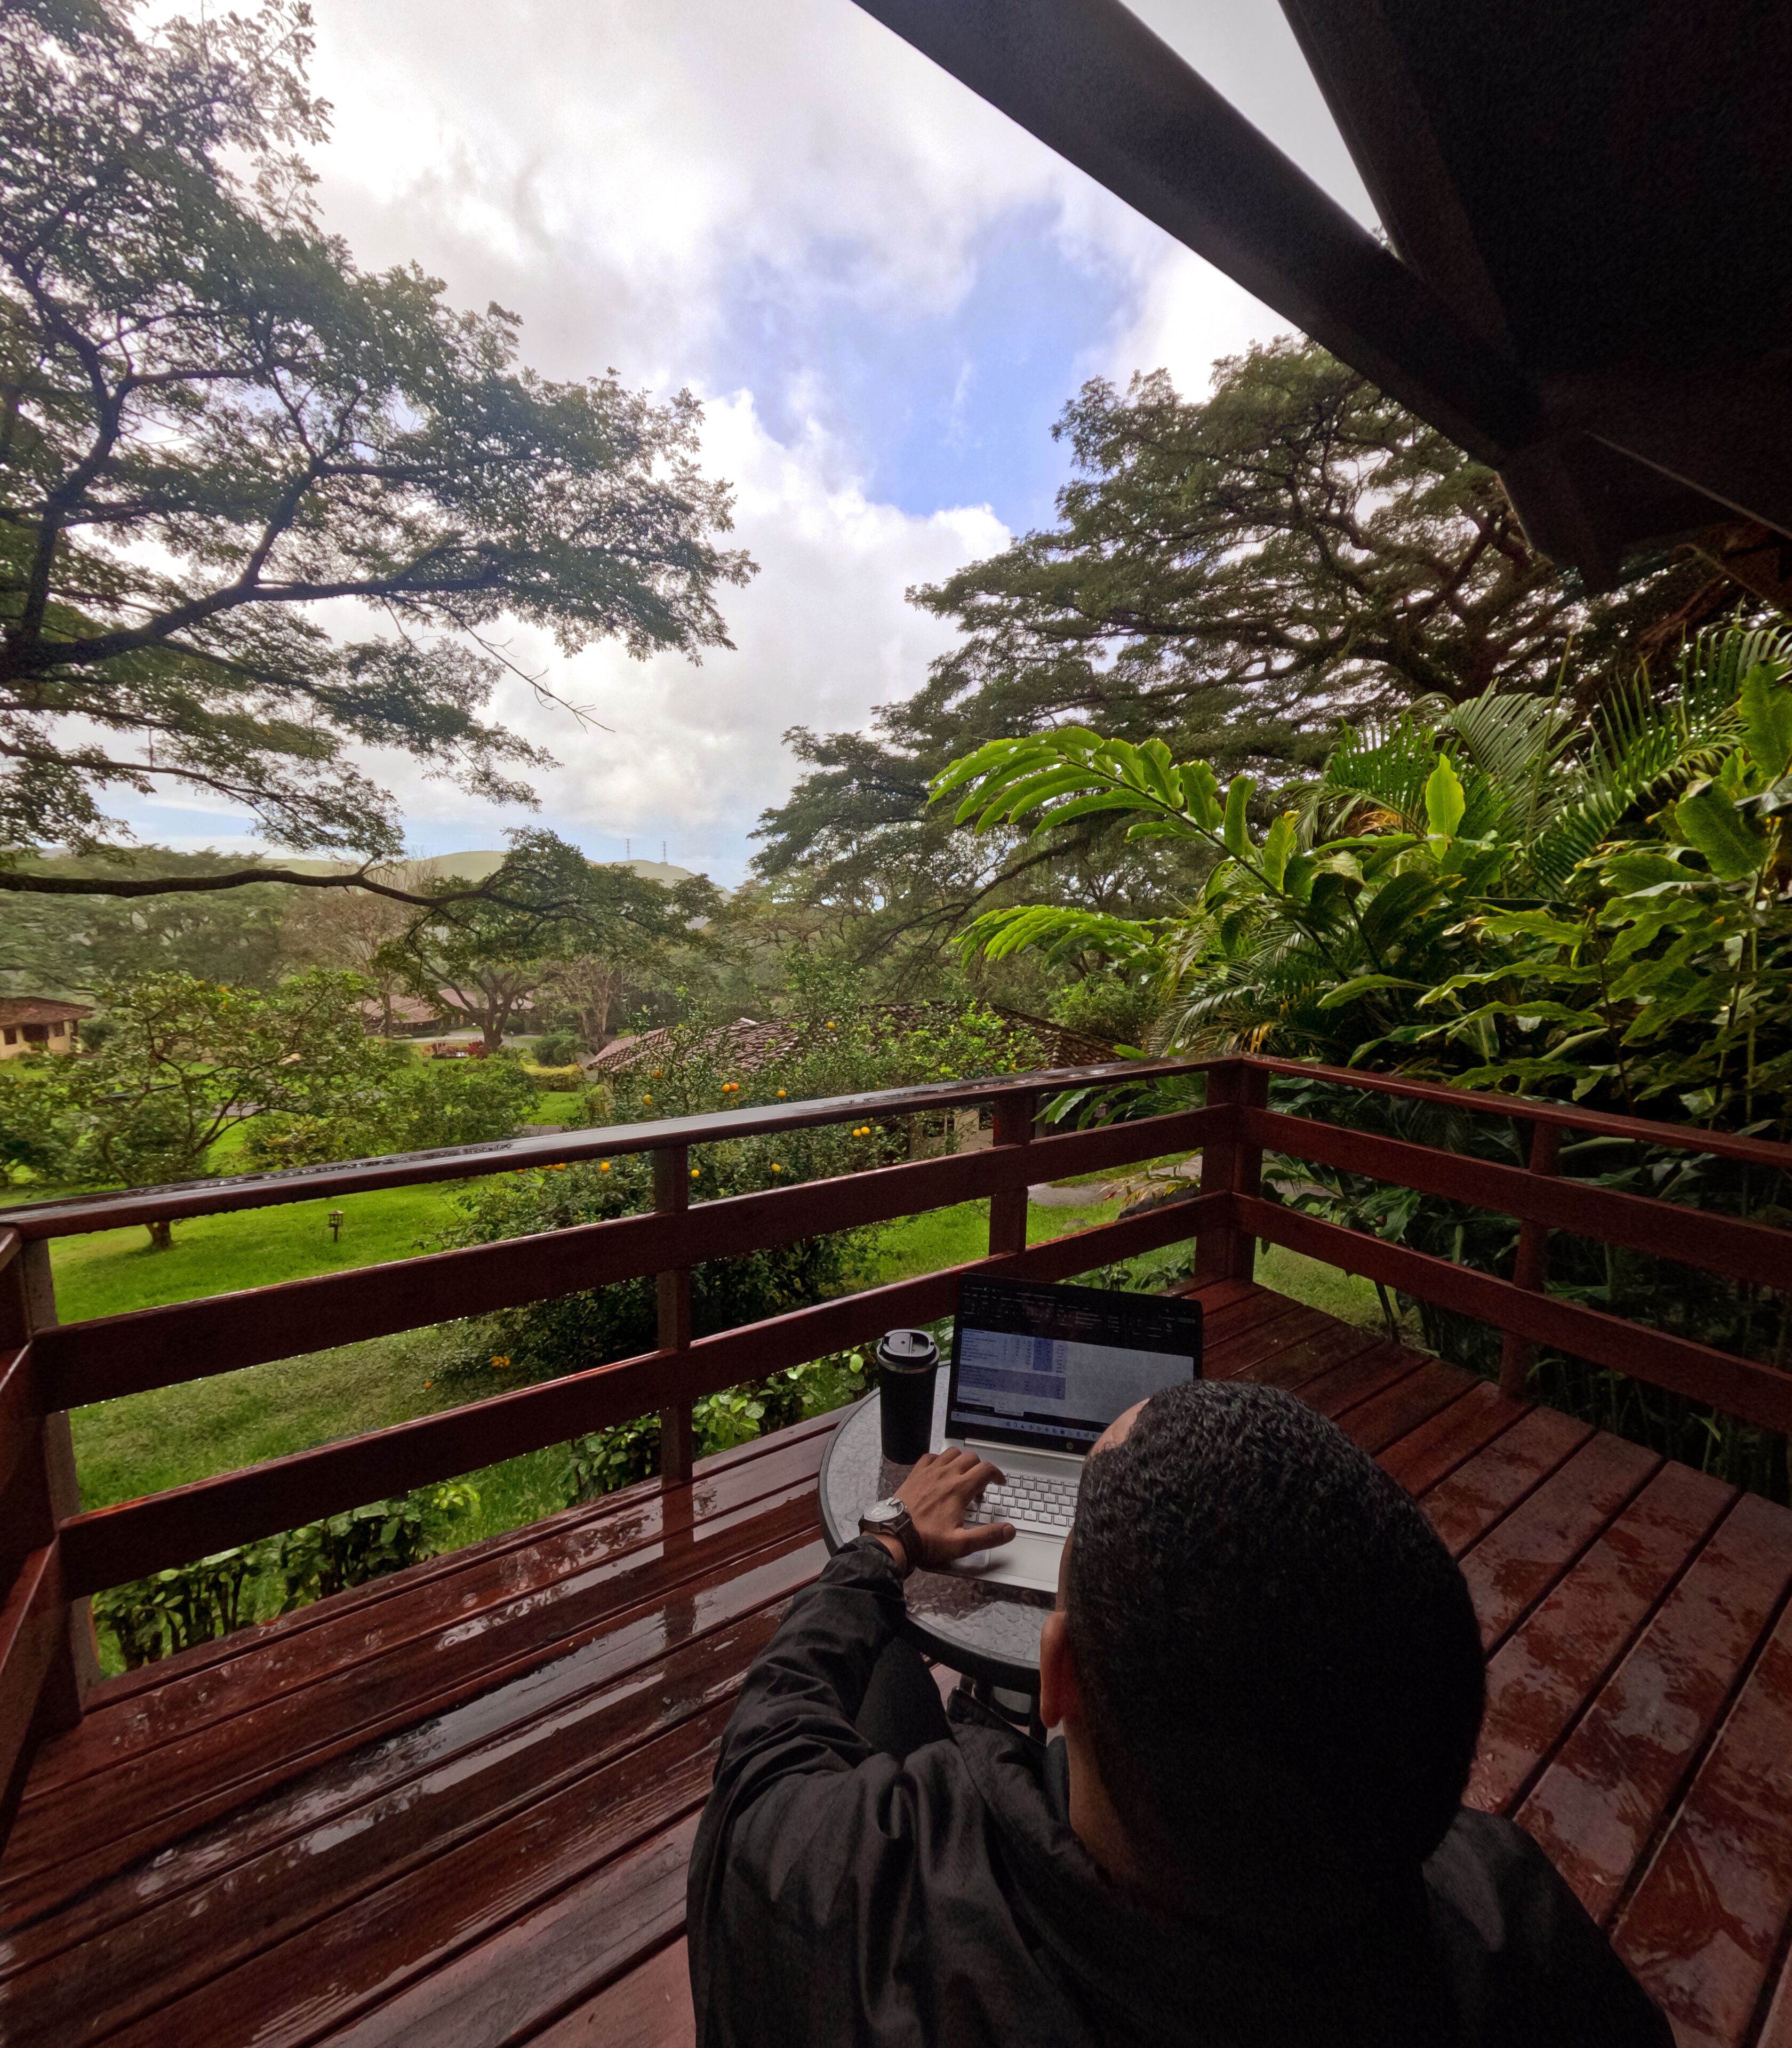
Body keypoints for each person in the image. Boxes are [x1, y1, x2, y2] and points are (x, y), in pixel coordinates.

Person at [687, 1380, 1671, 2047]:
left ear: (1058, 1679)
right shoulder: (1520, 1939)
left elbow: (767, 1747)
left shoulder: (850, 1897)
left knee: (885, 1675)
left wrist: (884, 1546)